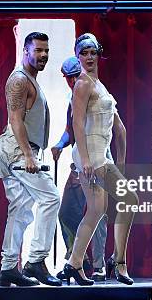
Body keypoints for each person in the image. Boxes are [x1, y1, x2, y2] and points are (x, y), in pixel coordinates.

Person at [62, 34, 138, 286]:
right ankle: (119, 262)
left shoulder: (99, 84)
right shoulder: (82, 84)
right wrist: (84, 158)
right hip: (92, 155)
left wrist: (122, 165)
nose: (89, 57)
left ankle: (75, 264)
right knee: (128, 200)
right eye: (84, 53)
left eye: (93, 52)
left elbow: (120, 129)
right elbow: (76, 122)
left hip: (100, 154)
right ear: (77, 56)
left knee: (96, 211)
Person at [0, 32, 61, 287]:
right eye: (38, 50)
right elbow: (15, 119)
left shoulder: (30, 79)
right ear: (25, 51)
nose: (43, 55)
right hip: (17, 150)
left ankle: (8, 267)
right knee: (50, 197)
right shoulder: (19, 81)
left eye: (46, 50)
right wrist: (27, 154)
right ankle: (35, 260)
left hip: (16, 149)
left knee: (20, 209)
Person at [53, 56, 108, 282]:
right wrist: (60, 144)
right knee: (68, 211)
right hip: (81, 161)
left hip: (97, 158)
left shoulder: (96, 92)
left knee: (99, 211)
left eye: (78, 76)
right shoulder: (74, 97)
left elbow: (116, 128)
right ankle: (76, 260)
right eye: (71, 78)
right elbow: (72, 129)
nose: (75, 81)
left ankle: (98, 264)